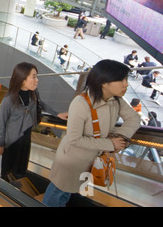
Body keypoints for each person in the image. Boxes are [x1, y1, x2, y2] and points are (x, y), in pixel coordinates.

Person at [42, 59, 141, 207]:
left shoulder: (116, 100)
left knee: (68, 191)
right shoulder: (80, 103)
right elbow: (75, 138)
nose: (126, 84)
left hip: (90, 158)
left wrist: (119, 139)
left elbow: (134, 119)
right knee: (58, 189)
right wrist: (110, 143)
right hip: (71, 159)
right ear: (104, 82)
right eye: (122, 80)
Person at [0, 62, 67, 181]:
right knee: (6, 169)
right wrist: (1, 144)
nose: (37, 80)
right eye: (33, 77)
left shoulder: (33, 94)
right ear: (22, 79)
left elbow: (40, 103)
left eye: (36, 76)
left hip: (25, 137)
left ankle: (16, 187)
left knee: (20, 169)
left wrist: (57, 113)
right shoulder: (8, 100)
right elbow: (1, 124)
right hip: (10, 141)